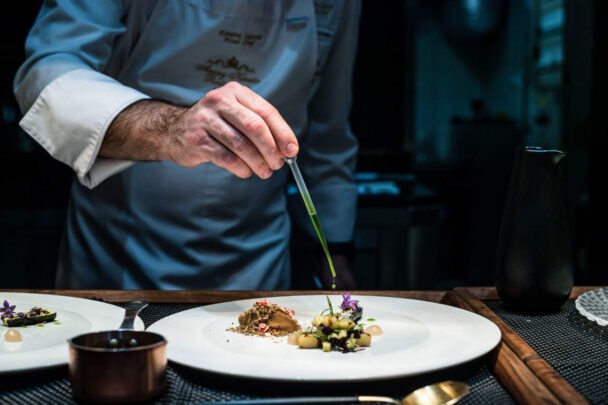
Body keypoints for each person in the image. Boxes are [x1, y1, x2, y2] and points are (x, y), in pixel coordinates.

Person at [14, 0, 360, 290]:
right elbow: (47, 75)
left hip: (256, 259)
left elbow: (327, 131)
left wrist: (336, 251)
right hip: (119, 255)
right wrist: (171, 128)